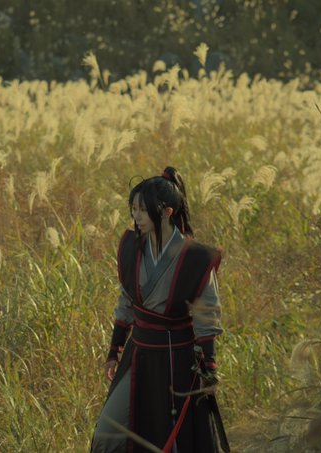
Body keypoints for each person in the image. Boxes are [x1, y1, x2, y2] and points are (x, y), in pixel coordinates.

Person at [90, 167, 228, 453]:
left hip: (177, 358)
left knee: (174, 439)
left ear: (166, 212)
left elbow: (206, 314)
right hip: (138, 354)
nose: (136, 217)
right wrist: (114, 351)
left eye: (143, 210)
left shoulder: (196, 257)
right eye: (134, 209)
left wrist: (209, 368)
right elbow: (126, 303)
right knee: (107, 431)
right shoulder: (132, 248)